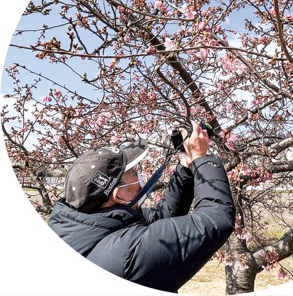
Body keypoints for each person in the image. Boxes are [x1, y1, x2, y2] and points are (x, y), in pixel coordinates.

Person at [48, 121, 235, 293]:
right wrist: (201, 160)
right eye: (133, 173)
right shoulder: (126, 253)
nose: (139, 177)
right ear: (119, 194)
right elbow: (216, 220)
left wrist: (185, 167)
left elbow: (162, 217)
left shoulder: (92, 224)